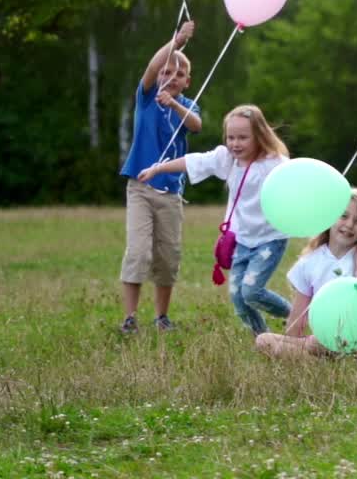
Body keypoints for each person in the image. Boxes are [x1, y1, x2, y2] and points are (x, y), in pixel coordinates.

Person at [140, 105, 291, 334]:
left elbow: (299, 186)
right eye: (231, 137)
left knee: (251, 291)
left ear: (259, 135)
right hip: (242, 239)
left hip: (270, 239)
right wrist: (158, 168)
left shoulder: (275, 164)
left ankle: (298, 314)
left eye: (243, 138)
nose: (235, 143)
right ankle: (262, 339)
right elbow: (193, 161)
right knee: (238, 298)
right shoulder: (227, 159)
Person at [118, 21, 202, 334]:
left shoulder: (188, 104)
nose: (171, 77)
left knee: (168, 258)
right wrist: (177, 42)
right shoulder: (146, 97)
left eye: (179, 74)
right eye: (167, 72)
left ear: (187, 81)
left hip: (170, 193)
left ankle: (162, 317)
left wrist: (177, 105)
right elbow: (154, 64)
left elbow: (196, 126)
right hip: (140, 189)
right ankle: (129, 318)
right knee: (138, 253)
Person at [255, 188, 357, 358]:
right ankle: (317, 363)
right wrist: (293, 344)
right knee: (264, 340)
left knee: (318, 344)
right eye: (343, 216)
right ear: (329, 218)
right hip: (323, 338)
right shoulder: (309, 263)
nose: (349, 225)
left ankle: (354, 356)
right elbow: (296, 320)